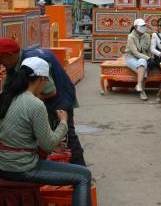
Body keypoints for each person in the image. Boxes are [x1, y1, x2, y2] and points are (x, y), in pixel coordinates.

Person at [0, 57, 92, 206]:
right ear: (41, 79)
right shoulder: (35, 104)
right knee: (83, 175)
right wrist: (63, 122)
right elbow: (48, 145)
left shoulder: (6, 96)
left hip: (3, 163)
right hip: (21, 168)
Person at [0, 39, 86, 166]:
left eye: (1, 59)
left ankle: (81, 171)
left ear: (10, 55)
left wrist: (21, 103)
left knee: (67, 136)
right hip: (43, 99)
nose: (1, 64)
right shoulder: (14, 63)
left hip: (60, 98)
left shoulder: (33, 62)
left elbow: (50, 92)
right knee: (47, 136)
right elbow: (8, 89)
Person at [126, 19, 152, 101]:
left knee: (142, 62)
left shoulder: (147, 36)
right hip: (131, 58)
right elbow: (135, 53)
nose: (143, 27)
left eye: (144, 25)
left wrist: (151, 57)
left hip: (143, 58)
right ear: (135, 27)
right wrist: (148, 58)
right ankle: (142, 92)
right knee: (143, 64)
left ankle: (139, 85)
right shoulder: (130, 37)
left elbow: (149, 51)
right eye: (141, 26)